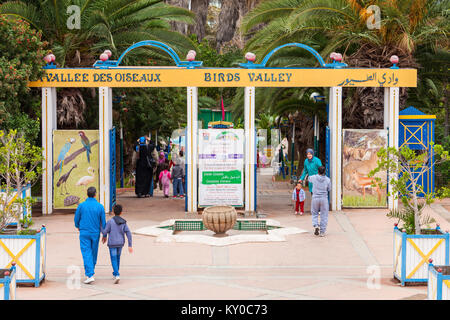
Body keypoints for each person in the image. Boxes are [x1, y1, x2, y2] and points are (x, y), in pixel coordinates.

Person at [74, 187, 106, 284]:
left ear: (87, 194)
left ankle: (90, 274)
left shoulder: (81, 206)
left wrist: (78, 226)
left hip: (84, 232)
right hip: (95, 233)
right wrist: (104, 234)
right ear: (95, 194)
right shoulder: (100, 206)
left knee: (86, 253)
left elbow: (76, 218)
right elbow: (103, 222)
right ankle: (90, 272)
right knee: (93, 252)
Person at [101, 204, 133, 284]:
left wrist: (100, 226)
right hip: (120, 243)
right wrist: (130, 245)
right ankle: (115, 273)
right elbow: (128, 233)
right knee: (118, 258)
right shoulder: (124, 222)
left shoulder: (110, 222)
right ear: (121, 212)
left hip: (112, 243)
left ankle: (117, 274)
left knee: (113, 258)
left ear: (113, 212)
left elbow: (105, 231)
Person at [308, 166, 331, 237]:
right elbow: (329, 189)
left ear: (318, 171)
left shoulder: (314, 177)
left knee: (314, 213)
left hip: (315, 198)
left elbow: (308, 179)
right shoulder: (328, 180)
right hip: (324, 199)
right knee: (324, 215)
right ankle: (322, 232)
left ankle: (316, 225)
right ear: (324, 172)